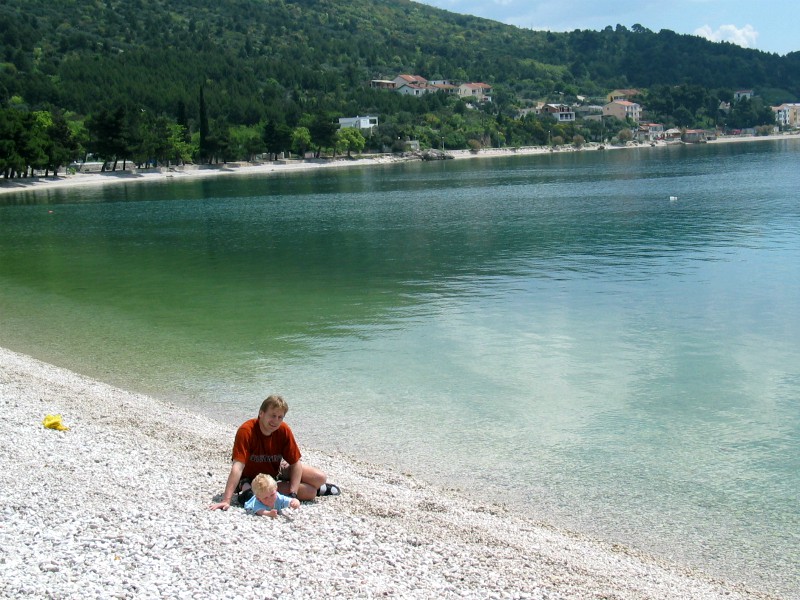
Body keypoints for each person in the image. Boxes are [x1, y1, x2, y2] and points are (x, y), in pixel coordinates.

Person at [209, 394, 340, 511]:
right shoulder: (246, 431)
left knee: (320, 477)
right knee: (310, 493)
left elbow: (295, 463)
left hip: (276, 471)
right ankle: (317, 490)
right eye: (272, 416)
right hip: (255, 480)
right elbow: (237, 467)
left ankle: (312, 487)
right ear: (261, 413)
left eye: (280, 417)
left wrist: (293, 494)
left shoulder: (283, 430)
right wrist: (226, 499)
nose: (276, 421)